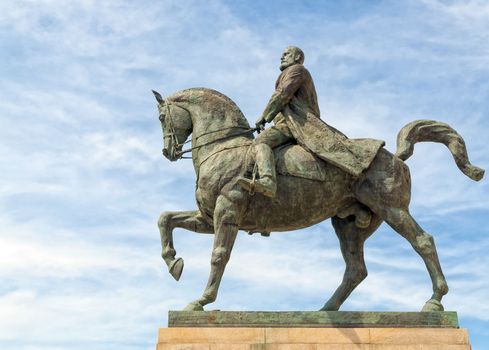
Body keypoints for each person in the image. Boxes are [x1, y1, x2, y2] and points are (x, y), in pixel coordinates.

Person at [238, 46, 384, 198]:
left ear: (297, 57)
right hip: (288, 124)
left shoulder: (297, 70)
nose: (282, 57)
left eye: (287, 54)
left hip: (296, 125)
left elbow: (282, 94)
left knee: (262, 142)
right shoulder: (291, 72)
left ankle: (268, 181)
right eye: (282, 55)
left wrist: (264, 116)